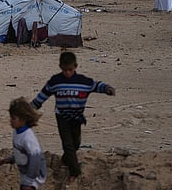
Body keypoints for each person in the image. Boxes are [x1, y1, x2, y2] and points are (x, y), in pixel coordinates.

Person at [30, 51, 116, 186]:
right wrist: (31, 107)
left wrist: (107, 89)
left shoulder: (83, 82)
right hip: (62, 117)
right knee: (68, 144)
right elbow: (43, 95)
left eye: (70, 70)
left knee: (75, 144)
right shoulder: (55, 81)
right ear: (60, 67)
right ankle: (74, 172)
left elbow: (96, 85)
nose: (67, 73)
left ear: (75, 66)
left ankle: (65, 160)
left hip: (77, 118)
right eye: (64, 70)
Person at [0, 97, 47, 190]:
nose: (10, 121)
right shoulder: (17, 132)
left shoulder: (28, 138)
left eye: (13, 118)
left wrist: (29, 180)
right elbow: (20, 151)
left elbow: (35, 159)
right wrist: (11, 159)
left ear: (23, 119)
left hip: (34, 175)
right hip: (25, 172)